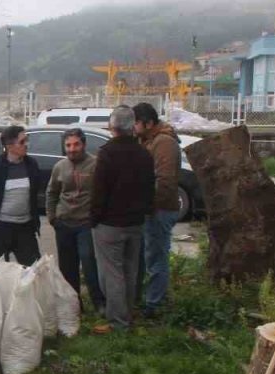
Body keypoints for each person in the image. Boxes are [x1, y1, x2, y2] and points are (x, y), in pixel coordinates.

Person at [90, 105, 155, 333]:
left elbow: (99, 191)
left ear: (112, 126)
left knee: (112, 274)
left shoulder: (107, 154)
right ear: (132, 126)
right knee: (130, 271)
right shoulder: (144, 153)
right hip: (135, 223)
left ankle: (118, 323)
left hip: (110, 224)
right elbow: (150, 188)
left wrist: (94, 218)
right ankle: (127, 314)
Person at [46, 128, 105, 310]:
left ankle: (99, 303)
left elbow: (103, 193)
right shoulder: (60, 167)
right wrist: (52, 217)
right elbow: (52, 193)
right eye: (68, 145)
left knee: (89, 263)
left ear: (84, 144)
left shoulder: (96, 165)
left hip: (86, 224)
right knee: (67, 268)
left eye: (76, 144)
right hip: (64, 224)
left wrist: (97, 217)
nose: (72, 149)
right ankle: (74, 305)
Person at [133, 102, 182, 316]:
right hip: (150, 209)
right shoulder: (148, 140)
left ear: (148, 123)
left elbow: (165, 181)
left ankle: (154, 305)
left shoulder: (164, 142)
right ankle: (149, 299)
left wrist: (150, 207)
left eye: (135, 122)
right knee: (148, 255)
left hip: (159, 209)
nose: (133, 127)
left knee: (156, 257)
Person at [0, 124, 43, 265]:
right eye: (22, 142)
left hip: (25, 228)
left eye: (27, 140)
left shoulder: (31, 165)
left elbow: (35, 194)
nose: (27, 145)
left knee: (34, 270)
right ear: (9, 146)